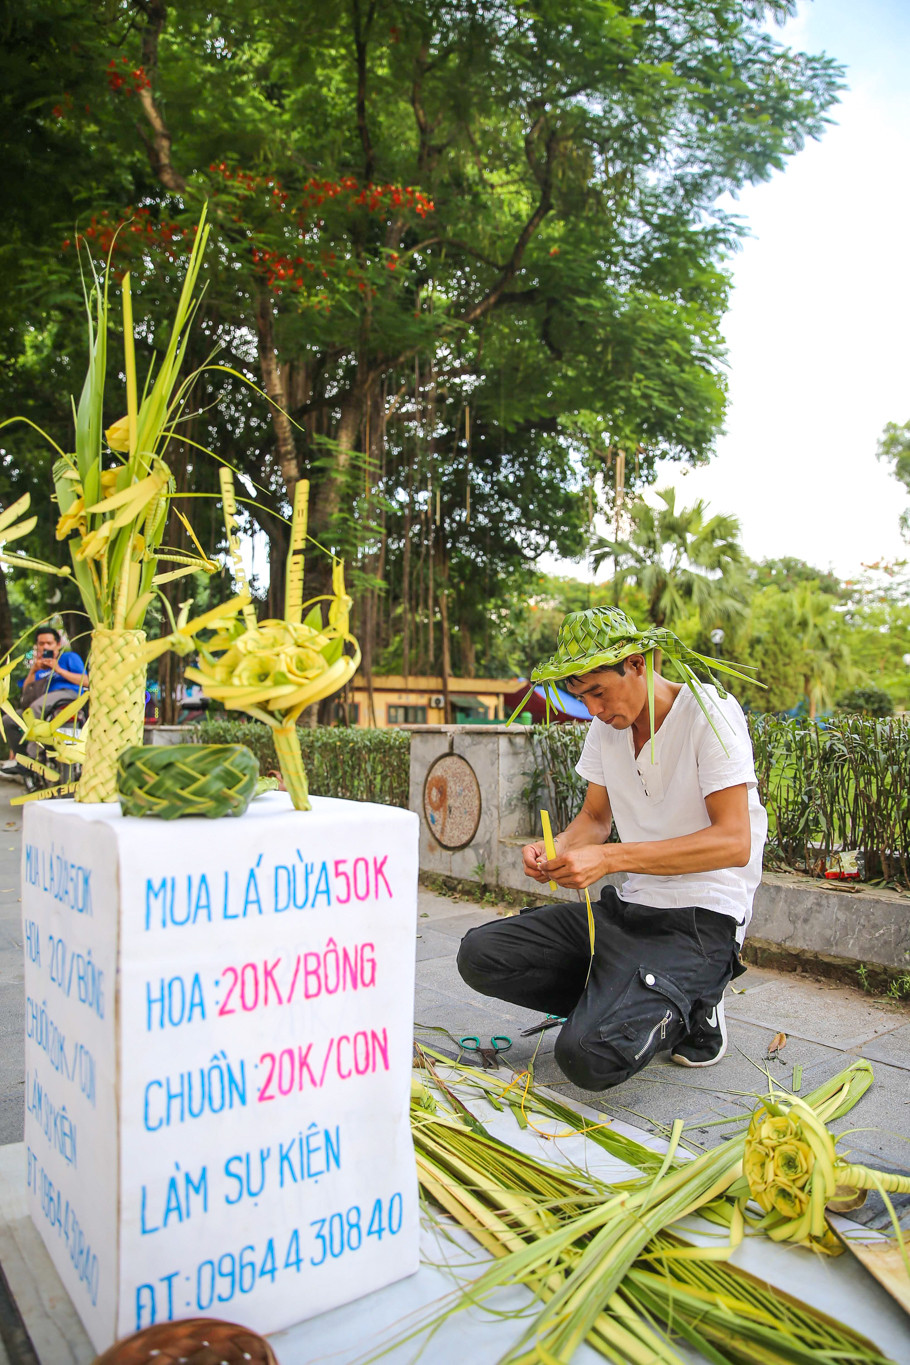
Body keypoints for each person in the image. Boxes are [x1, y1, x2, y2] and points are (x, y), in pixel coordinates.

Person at [456, 606, 767, 1091]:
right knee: (481, 953)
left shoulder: (711, 712)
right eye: (583, 698)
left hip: (700, 921)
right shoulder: (608, 729)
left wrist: (609, 859)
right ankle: (628, 1000)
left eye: (599, 692)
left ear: (638, 663)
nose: (595, 711)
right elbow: (595, 821)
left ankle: (695, 1003)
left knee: (587, 1059)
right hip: (629, 909)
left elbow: (733, 842)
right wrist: (553, 849)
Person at [1, 628, 87, 768]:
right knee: (9, 721)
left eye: (49, 643)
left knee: (35, 708)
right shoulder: (39, 667)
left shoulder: (68, 657)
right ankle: (22, 761)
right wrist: (33, 670)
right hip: (43, 703)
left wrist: (59, 670)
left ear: (58, 645)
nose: (45, 647)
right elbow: (26, 692)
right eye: (41, 644)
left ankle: (34, 758)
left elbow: (87, 681)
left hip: (67, 696)